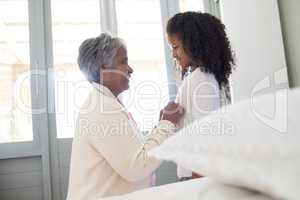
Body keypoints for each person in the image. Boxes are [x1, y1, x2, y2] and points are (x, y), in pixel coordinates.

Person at [66, 33, 184, 199]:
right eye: (123, 62)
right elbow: (137, 166)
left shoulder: (105, 103)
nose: (130, 69)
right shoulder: (102, 109)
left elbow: (133, 151)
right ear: (103, 69)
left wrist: (161, 126)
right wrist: (166, 124)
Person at [166, 11, 235, 181]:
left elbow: (207, 138)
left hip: (196, 175)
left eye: (176, 47)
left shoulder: (202, 80)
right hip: (191, 173)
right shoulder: (198, 77)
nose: (173, 55)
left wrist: (200, 181)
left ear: (193, 44)